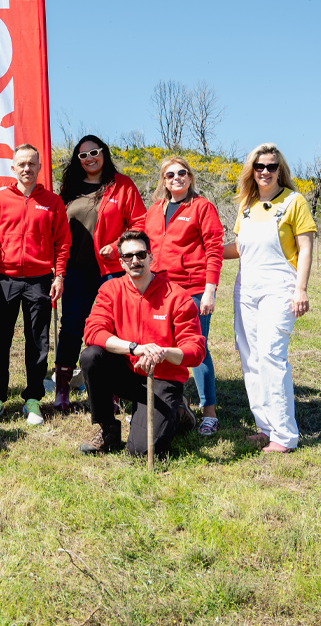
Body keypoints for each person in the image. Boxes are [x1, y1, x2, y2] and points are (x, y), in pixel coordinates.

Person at [223, 143, 316, 454]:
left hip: (279, 288)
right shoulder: (247, 206)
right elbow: (239, 248)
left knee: (271, 356)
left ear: (280, 170)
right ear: (252, 170)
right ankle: (265, 427)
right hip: (246, 289)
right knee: (250, 358)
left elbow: (305, 248)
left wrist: (301, 289)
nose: (265, 171)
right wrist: (206, 250)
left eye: (271, 166)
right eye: (259, 166)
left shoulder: (293, 202)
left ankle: (285, 435)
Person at [77, 231, 204, 458]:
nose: (135, 260)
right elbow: (93, 332)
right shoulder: (110, 290)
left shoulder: (177, 296)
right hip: (126, 372)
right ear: (121, 262)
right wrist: (134, 348)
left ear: (151, 257)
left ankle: (178, 412)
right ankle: (108, 429)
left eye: (141, 254)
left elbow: (195, 351)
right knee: (90, 356)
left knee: (141, 452)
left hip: (162, 378)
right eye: (128, 256)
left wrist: (163, 352)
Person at [0, 144, 69, 425]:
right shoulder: (0, 199)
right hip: (4, 278)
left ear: (39, 167)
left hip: (40, 280)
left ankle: (33, 399)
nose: (26, 168)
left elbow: (62, 243)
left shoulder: (52, 202)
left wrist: (59, 275)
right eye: (21, 164)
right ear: (13, 167)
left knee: (38, 341)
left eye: (31, 163)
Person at [54, 135, 145, 413]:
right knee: (71, 326)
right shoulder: (69, 188)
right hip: (75, 270)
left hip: (111, 269)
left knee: (113, 328)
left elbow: (140, 222)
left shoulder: (122, 185)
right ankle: (62, 388)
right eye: (83, 155)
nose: (89, 158)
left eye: (94, 152)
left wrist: (119, 245)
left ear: (104, 153)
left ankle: (115, 389)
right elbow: (56, 227)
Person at [144, 155, 225, 435]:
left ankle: (209, 412)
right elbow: (144, 246)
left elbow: (214, 249)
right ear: (163, 181)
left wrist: (210, 289)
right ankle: (170, 404)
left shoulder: (201, 207)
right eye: (170, 175)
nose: (176, 178)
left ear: (189, 177)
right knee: (160, 346)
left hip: (193, 290)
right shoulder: (154, 211)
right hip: (160, 289)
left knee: (196, 349)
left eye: (181, 173)